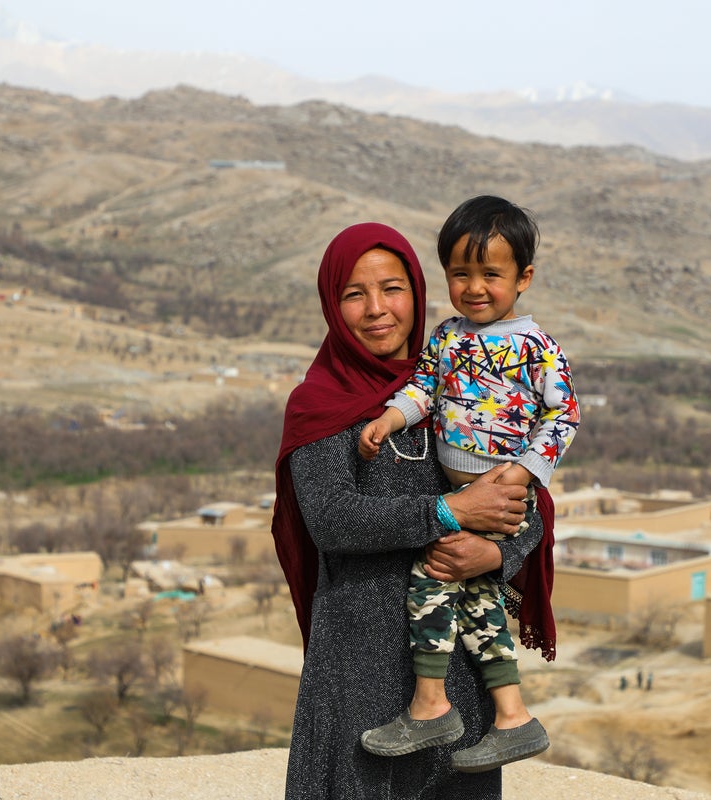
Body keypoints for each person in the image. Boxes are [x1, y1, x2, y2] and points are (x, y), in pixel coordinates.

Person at [271, 221, 555, 799]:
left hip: (461, 680)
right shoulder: (321, 404)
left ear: (418, 293)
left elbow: (525, 499)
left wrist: (495, 550)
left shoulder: (462, 379)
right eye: (354, 293)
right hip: (359, 673)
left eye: (392, 288)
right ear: (332, 303)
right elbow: (332, 519)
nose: (377, 309)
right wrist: (449, 512)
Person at [357, 196, 579, 773]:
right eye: (461, 274)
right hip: (465, 492)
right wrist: (387, 418)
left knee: (430, 578)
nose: (475, 287)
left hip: (500, 494)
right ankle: (513, 716)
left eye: (491, 274)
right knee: (480, 604)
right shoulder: (448, 337)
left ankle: (431, 706)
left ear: (523, 278)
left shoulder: (537, 347)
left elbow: (564, 416)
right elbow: (421, 391)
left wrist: (525, 472)